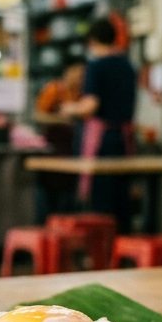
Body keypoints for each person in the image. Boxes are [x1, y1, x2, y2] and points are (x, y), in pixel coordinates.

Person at [61, 18, 138, 232]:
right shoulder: (128, 66)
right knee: (121, 200)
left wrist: (69, 108)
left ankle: (102, 252)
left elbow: (90, 106)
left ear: (92, 40)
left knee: (101, 202)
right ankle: (123, 250)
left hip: (102, 142)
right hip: (125, 140)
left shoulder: (96, 66)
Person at [33, 60, 85, 219]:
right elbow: (38, 116)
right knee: (51, 193)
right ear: (67, 72)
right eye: (77, 72)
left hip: (74, 149)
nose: (80, 76)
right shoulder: (54, 89)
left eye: (83, 73)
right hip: (54, 148)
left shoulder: (82, 94)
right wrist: (63, 120)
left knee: (69, 194)